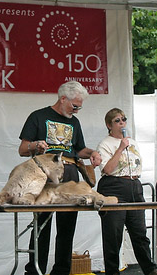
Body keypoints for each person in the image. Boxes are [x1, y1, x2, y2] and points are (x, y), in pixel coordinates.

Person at [18, 80, 102, 275]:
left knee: (67, 225)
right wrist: (35, 146)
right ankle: (34, 271)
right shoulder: (38, 116)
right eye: (75, 106)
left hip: (70, 172)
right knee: (42, 224)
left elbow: (79, 149)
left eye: (80, 107)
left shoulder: (74, 122)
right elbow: (22, 149)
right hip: (45, 173)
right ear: (63, 98)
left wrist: (92, 153)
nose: (77, 111)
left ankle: (62, 271)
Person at [96, 108, 157, 275]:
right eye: (117, 120)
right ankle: (112, 271)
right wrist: (119, 149)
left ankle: (149, 268)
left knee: (139, 232)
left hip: (133, 185)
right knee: (113, 234)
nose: (122, 123)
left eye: (124, 119)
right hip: (113, 186)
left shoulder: (132, 141)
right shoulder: (105, 144)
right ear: (109, 125)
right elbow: (108, 169)